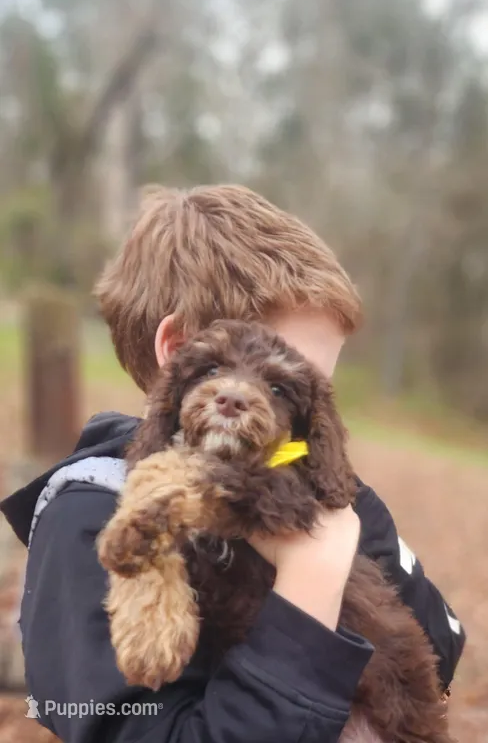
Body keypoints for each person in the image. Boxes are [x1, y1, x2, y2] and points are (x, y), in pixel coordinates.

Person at [1, 184, 464, 743]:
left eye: (296, 389)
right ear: (180, 351)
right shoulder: (87, 522)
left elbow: (438, 647)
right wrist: (309, 578)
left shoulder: (330, 489)